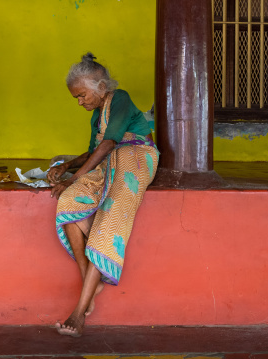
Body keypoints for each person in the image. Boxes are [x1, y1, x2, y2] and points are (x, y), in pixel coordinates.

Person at [47, 52, 159, 337]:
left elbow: (109, 143)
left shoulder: (119, 98)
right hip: (109, 161)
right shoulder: (97, 114)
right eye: (77, 98)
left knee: (110, 217)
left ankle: (80, 311)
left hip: (136, 157)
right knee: (68, 201)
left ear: (99, 87)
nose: (80, 102)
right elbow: (95, 149)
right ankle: (90, 280)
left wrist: (73, 176)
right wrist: (67, 165)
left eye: (82, 95)